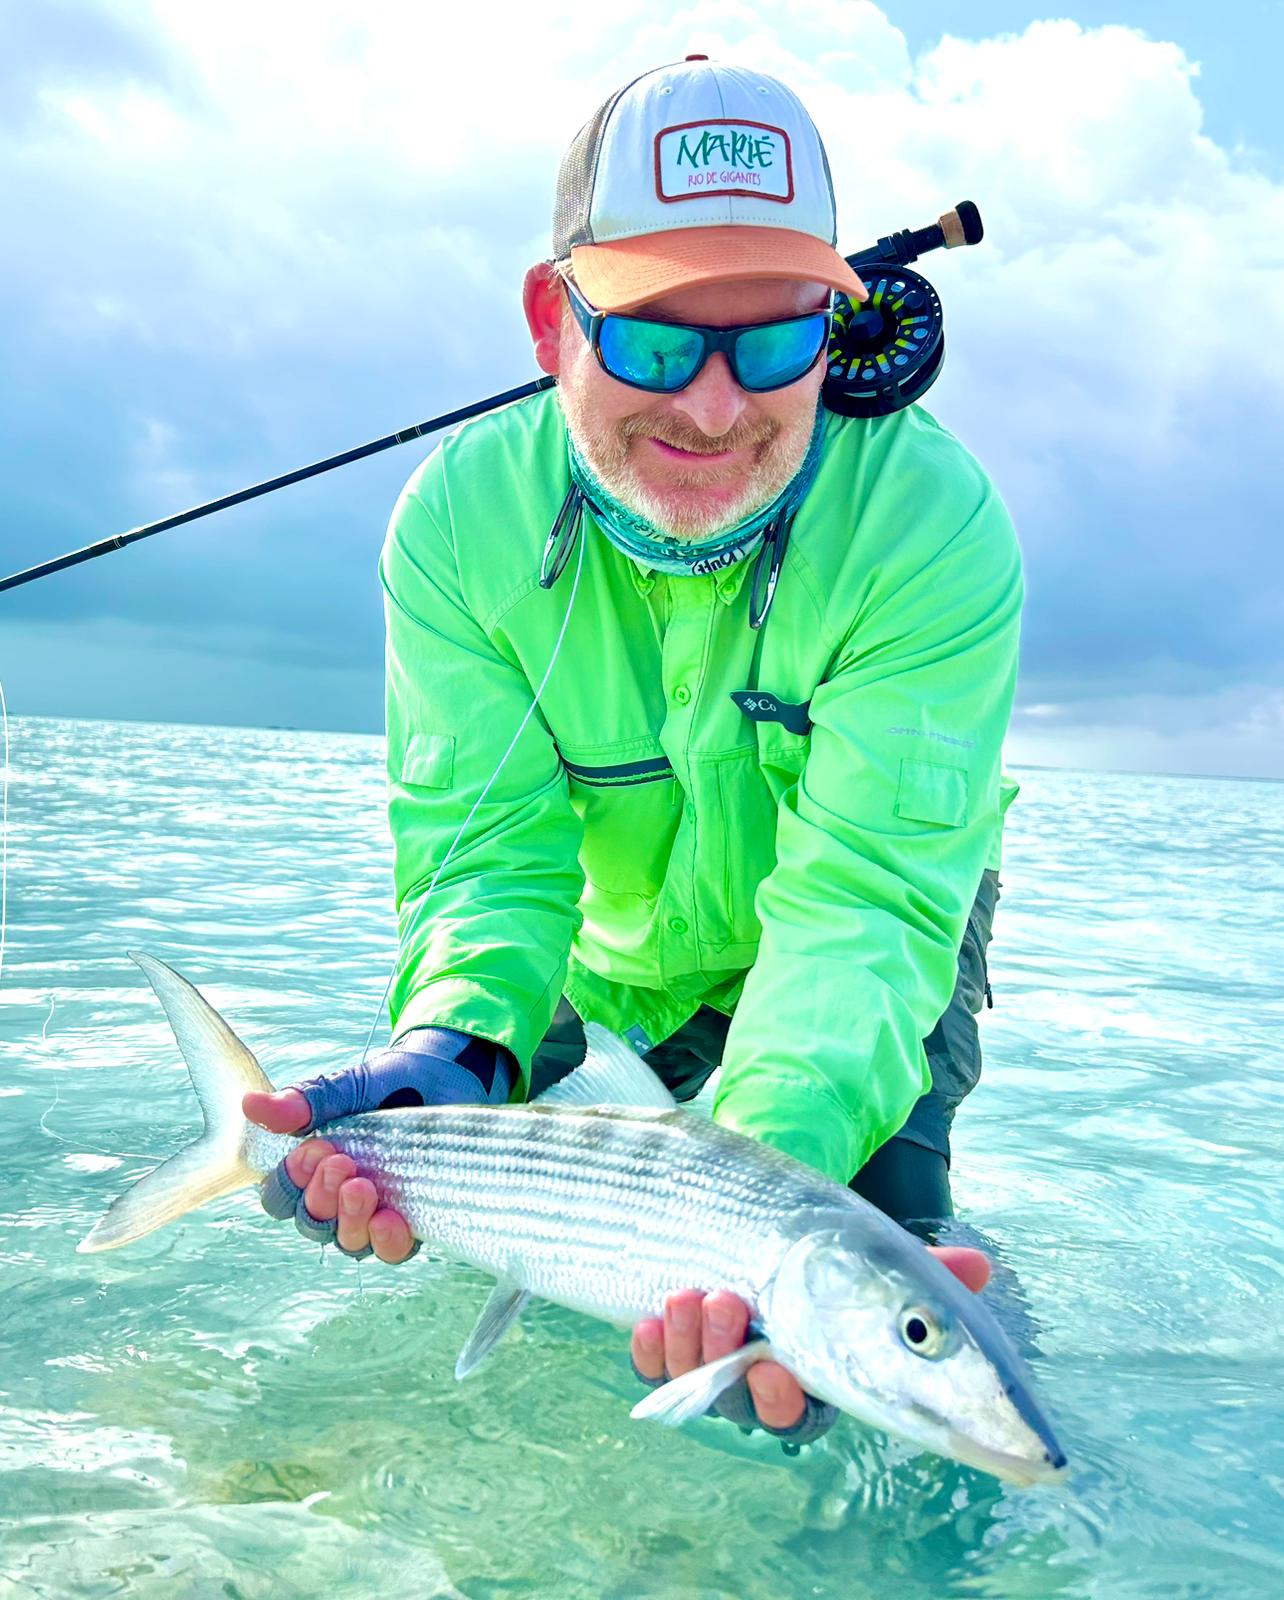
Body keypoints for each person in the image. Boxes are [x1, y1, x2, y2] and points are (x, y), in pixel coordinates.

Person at [246, 57, 1021, 1447]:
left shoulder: (932, 524)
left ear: (837, 331)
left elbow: (869, 900)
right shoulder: (459, 526)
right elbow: (488, 858)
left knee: (895, 1296)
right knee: (522, 1244)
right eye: (658, 343)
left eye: (774, 343)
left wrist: (754, 1194)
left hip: (868, 953)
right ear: (556, 321)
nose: (715, 412)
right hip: (602, 959)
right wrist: (456, 1041)